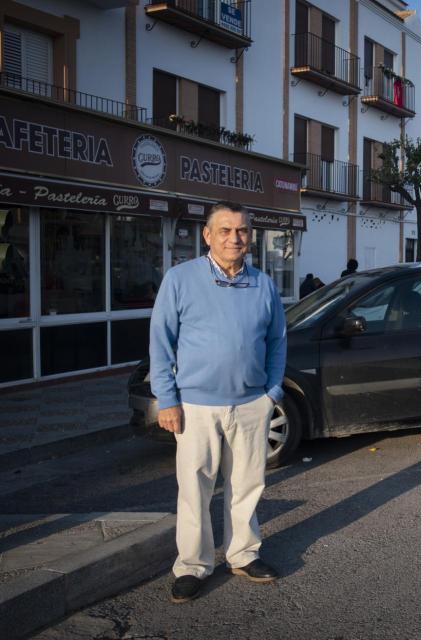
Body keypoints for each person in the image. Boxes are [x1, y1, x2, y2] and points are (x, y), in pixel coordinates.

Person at [149, 201, 286, 604]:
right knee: (195, 488)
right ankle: (192, 565)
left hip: (250, 405)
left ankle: (243, 554)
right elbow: (161, 344)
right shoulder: (180, 279)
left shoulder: (263, 283)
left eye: (242, 231)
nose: (235, 238)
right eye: (225, 230)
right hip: (195, 407)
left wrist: (271, 393)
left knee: (246, 485)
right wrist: (167, 400)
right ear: (207, 235)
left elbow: (277, 341)